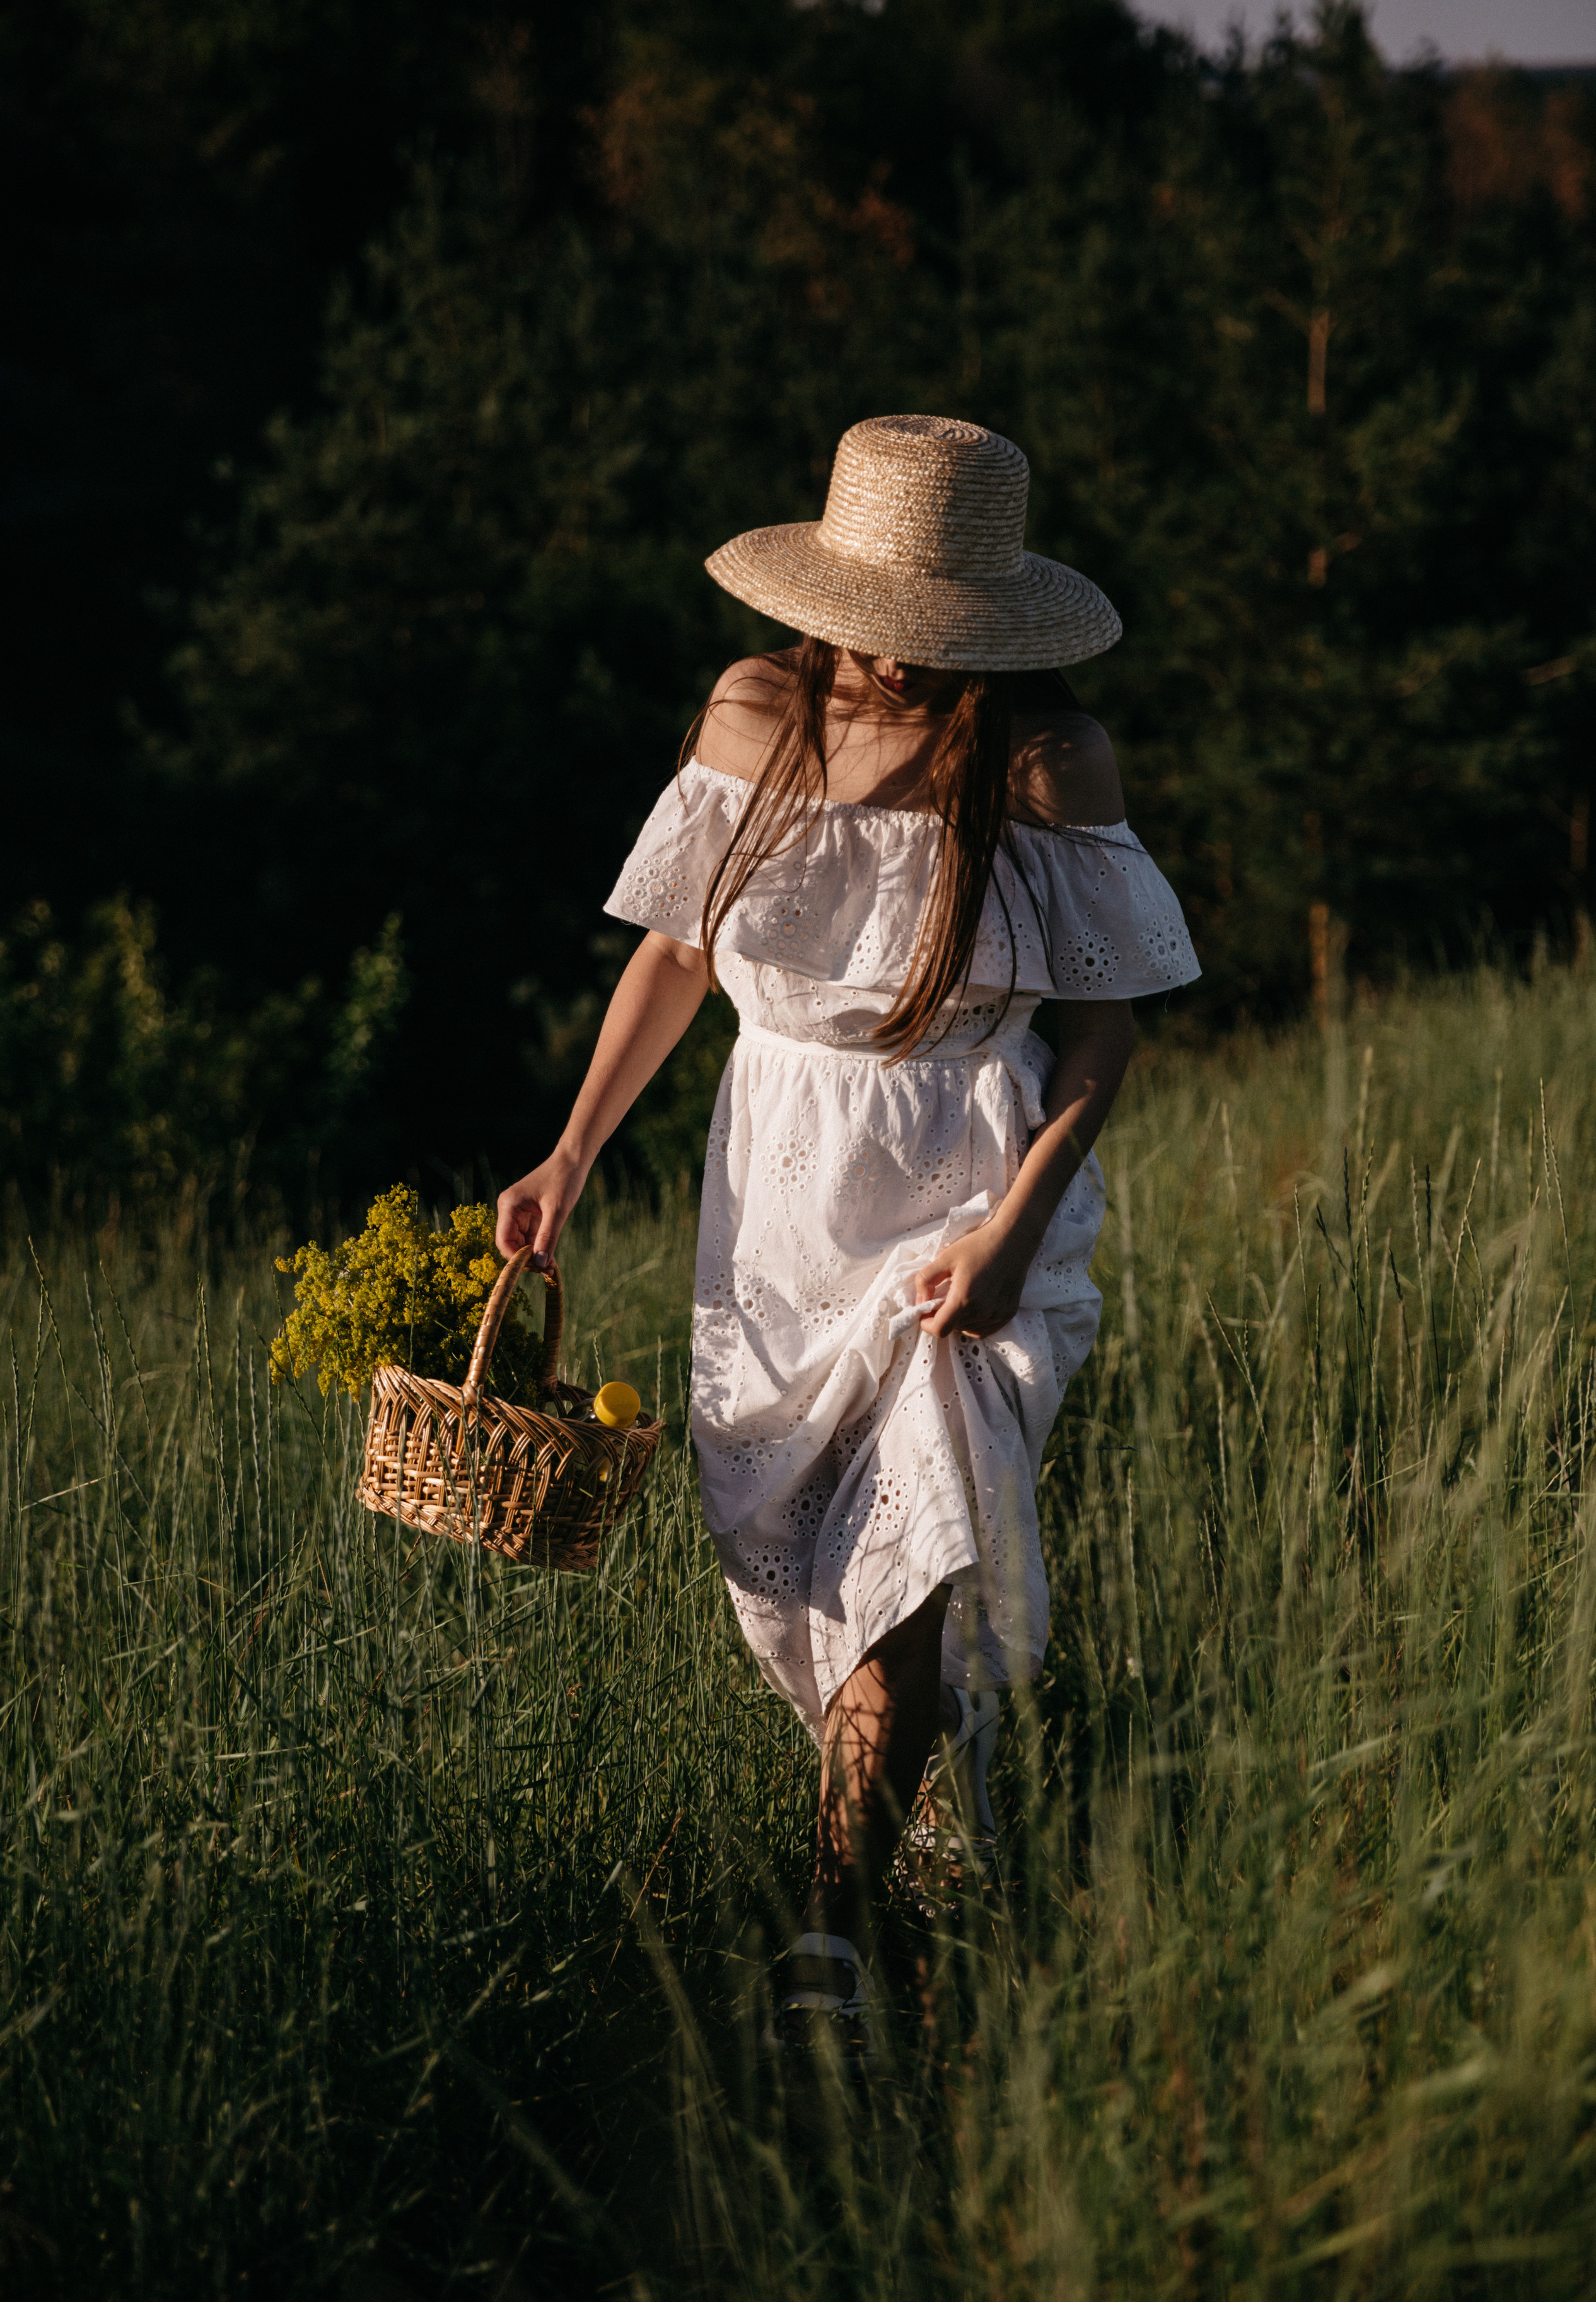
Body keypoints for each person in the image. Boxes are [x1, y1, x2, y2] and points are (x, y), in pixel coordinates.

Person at [497, 414, 1199, 2052]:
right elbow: (679, 954)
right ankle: (907, 1813)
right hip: (782, 1194)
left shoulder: (1043, 760)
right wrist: (573, 1151)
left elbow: (1103, 1034)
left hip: (971, 1189)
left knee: (911, 1553)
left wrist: (1019, 1233)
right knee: (794, 1570)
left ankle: (836, 1937)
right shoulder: (756, 714)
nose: (890, 655)